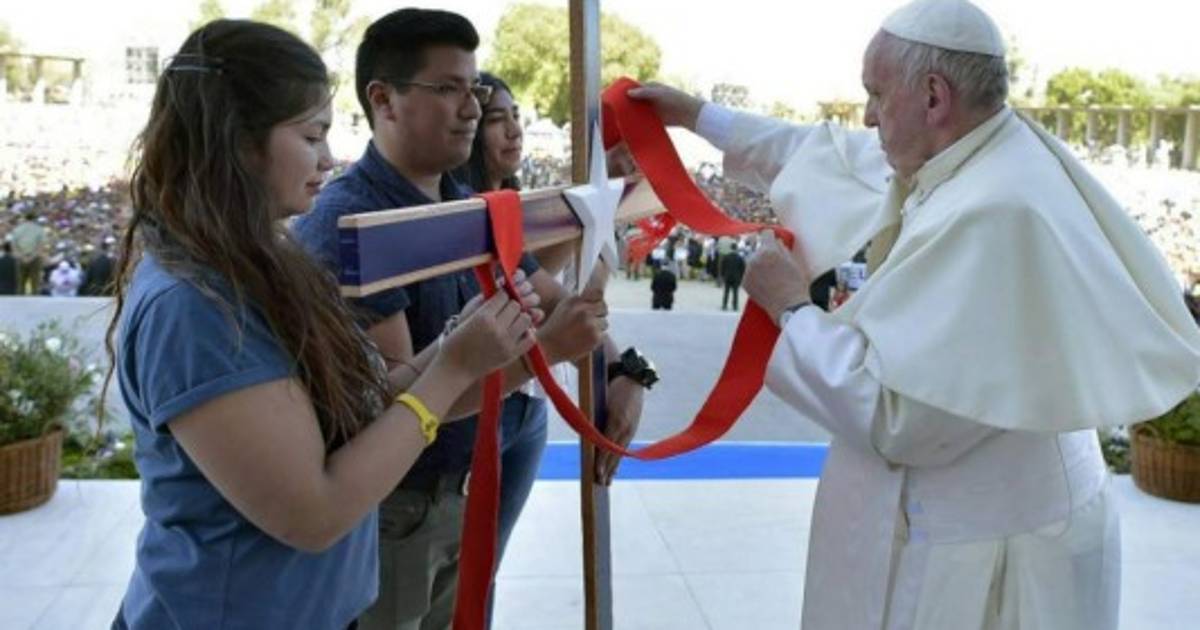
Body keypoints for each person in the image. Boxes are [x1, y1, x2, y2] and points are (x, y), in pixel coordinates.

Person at [629, 0, 1200, 628]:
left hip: (986, 547)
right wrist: (696, 115)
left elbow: (899, 416)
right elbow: (829, 156)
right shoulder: (976, 150)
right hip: (981, 519)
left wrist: (791, 307)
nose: (867, 116)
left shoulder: (996, 214)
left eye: (876, 94)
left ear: (933, 96)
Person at [105, 20, 537, 630]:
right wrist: (453, 369)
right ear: (237, 142)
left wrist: (454, 345)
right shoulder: (193, 305)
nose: (329, 159)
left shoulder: (259, 261)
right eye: (311, 136)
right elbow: (314, 514)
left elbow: (357, 404)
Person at [291, 10, 648, 629]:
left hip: (466, 488)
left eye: (474, 90)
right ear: (384, 99)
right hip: (399, 509)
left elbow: (549, 298)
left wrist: (627, 369)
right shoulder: (352, 228)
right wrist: (546, 353)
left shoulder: (468, 205)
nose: (471, 110)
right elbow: (393, 406)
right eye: (447, 88)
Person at [9, 211, 46, 295]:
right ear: (35, 219)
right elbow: (41, 246)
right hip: (35, 258)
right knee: (35, 283)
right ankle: (35, 301)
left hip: (21, 258)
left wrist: (22, 257)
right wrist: (31, 257)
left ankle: (20, 301)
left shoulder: (17, 229)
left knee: (20, 283)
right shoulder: (39, 229)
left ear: (25, 219)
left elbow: (13, 246)